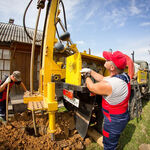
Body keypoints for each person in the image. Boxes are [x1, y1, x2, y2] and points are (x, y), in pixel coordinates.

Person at [81, 51, 131, 150]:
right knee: (112, 139)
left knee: (109, 145)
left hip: (114, 121)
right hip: (121, 116)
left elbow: (91, 87)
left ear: (112, 68)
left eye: (108, 60)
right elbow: (103, 78)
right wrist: (90, 71)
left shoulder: (110, 85)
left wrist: (86, 77)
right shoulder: (123, 76)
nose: (105, 60)